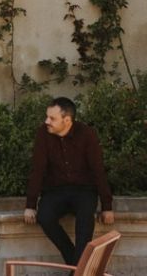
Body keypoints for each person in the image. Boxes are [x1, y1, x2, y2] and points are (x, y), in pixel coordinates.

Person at [23, 97, 114, 268]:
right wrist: (30, 205)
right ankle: (76, 264)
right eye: (47, 117)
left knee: (85, 221)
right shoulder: (43, 133)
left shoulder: (87, 134)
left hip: (84, 190)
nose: (46, 121)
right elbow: (38, 169)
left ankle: (76, 271)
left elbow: (98, 170)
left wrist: (107, 206)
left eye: (52, 118)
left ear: (67, 120)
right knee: (45, 217)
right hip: (55, 190)